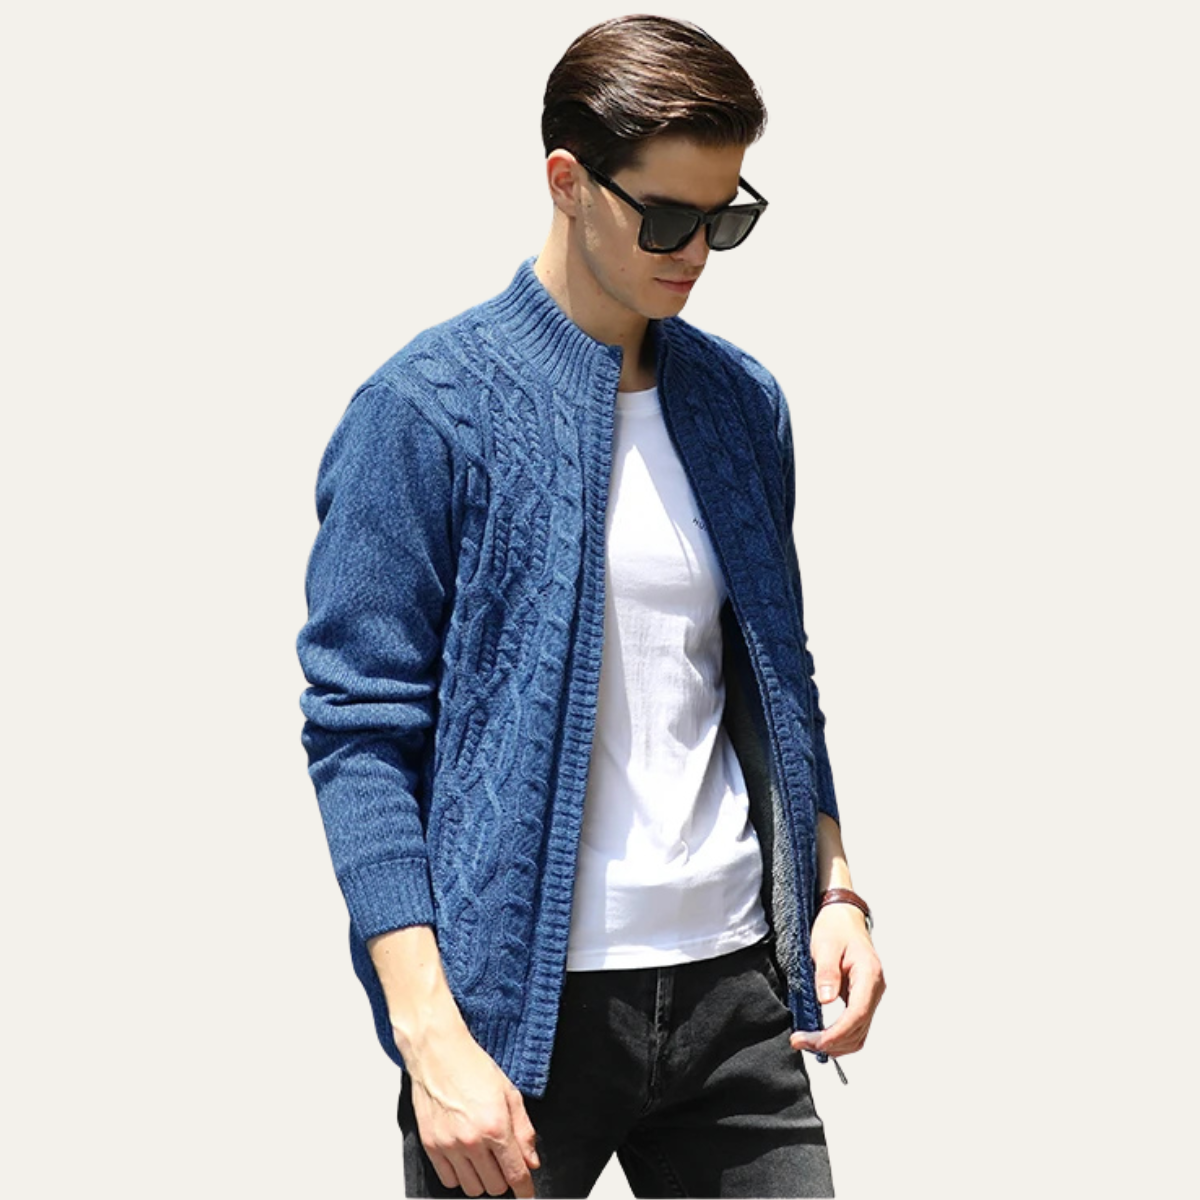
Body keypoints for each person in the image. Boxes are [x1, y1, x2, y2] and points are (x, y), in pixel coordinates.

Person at [296, 15, 885, 1198]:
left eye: (725, 218)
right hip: (513, 1020)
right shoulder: (426, 412)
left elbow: (780, 674)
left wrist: (835, 889)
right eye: (665, 218)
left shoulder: (740, 404)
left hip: (737, 1000)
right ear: (567, 182)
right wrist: (429, 1038)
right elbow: (359, 736)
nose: (697, 251)